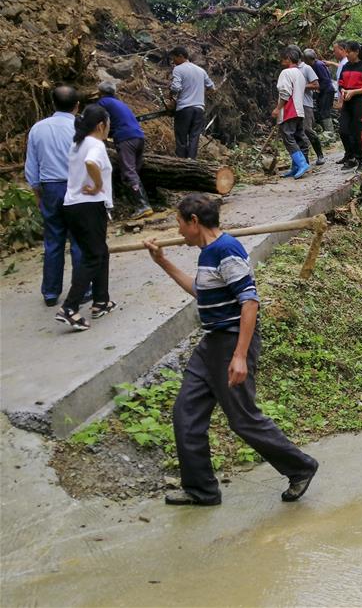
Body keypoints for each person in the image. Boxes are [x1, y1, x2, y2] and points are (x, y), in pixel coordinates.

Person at [143, 194, 319, 506]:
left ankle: (301, 467)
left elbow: (249, 301)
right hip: (211, 344)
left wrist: (239, 355)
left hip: (232, 343)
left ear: (194, 222)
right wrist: (163, 261)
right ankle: (202, 490)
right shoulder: (208, 252)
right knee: (186, 412)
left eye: (180, 224)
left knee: (243, 418)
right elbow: (201, 292)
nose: (179, 231)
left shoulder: (226, 250)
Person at [55, 104, 116, 331]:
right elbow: (91, 163)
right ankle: (69, 309)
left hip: (73, 206)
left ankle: (101, 300)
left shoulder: (77, 143)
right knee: (93, 256)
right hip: (88, 206)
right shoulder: (95, 145)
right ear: (101, 125)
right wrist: (98, 184)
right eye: (108, 124)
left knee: (101, 252)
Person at [25, 86, 85, 307]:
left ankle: (50, 292)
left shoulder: (38, 129)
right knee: (79, 239)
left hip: (50, 188)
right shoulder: (80, 127)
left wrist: (37, 192)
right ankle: (82, 288)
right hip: (76, 186)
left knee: (53, 241)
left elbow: (31, 165)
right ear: (77, 105)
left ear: (53, 104)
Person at [97, 81, 152, 219]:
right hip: (138, 136)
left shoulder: (103, 102)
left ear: (101, 92)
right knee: (133, 172)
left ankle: (143, 205)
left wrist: (101, 138)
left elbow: (103, 120)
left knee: (128, 172)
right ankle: (142, 204)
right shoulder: (119, 103)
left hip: (125, 138)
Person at [169, 46, 214, 159]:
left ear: (180, 56)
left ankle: (181, 162)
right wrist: (201, 94)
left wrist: (170, 93)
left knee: (181, 137)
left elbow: (176, 88)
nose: (173, 61)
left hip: (184, 108)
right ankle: (191, 161)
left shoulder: (178, 69)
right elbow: (212, 87)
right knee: (194, 137)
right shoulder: (200, 70)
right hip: (199, 109)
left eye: (174, 58)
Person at [272, 47, 311, 179]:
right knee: (298, 137)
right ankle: (295, 167)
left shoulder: (286, 73)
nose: (281, 61)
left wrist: (278, 108)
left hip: (290, 110)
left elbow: (285, 92)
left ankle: (301, 164)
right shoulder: (299, 73)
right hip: (299, 110)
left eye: (283, 58)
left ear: (288, 58)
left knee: (288, 138)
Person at [337, 41, 362, 173]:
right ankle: (350, 157)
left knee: (357, 132)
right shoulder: (346, 66)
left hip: (360, 102)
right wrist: (343, 91)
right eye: (346, 52)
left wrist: (353, 92)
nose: (346, 55)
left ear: (356, 52)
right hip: (347, 102)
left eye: (349, 52)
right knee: (343, 130)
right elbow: (341, 83)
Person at [292, 46, 325, 166]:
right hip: (293, 104)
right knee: (296, 132)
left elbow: (316, 85)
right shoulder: (290, 69)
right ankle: (302, 161)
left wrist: (301, 86)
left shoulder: (306, 68)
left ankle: (320, 154)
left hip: (305, 104)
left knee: (307, 130)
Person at [303, 48, 335, 134]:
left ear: (308, 59)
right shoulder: (315, 65)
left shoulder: (318, 65)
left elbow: (325, 80)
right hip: (324, 91)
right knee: (321, 111)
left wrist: (318, 90)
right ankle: (327, 132)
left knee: (325, 111)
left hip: (327, 91)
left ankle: (330, 133)